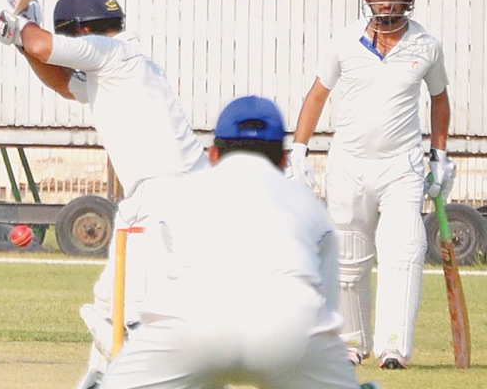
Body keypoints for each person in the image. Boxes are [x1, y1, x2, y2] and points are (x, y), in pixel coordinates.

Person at [0, 0, 211, 378]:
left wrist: (19, 23)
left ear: (80, 32)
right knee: (108, 304)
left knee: (135, 314)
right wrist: (20, 42)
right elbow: (61, 81)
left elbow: (45, 47)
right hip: (161, 194)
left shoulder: (113, 53)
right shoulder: (116, 65)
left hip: (168, 197)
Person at [95, 95, 375, 389]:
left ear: (213, 154)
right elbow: (327, 304)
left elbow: (161, 289)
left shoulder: (181, 197)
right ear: (283, 159)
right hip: (292, 332)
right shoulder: (311, 207)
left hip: (191, 328)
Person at [288, 0, 454, 369]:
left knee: (404, 251)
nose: (387, 3)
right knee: (348, 257)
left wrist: (441, 154)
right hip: (348, 163)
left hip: (401, 165)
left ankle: (394, 345)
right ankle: (350, 342)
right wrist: (299, 149)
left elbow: (440, 100)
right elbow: (317, 95)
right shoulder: (343, 41)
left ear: (408, 0)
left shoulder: (426, 45)